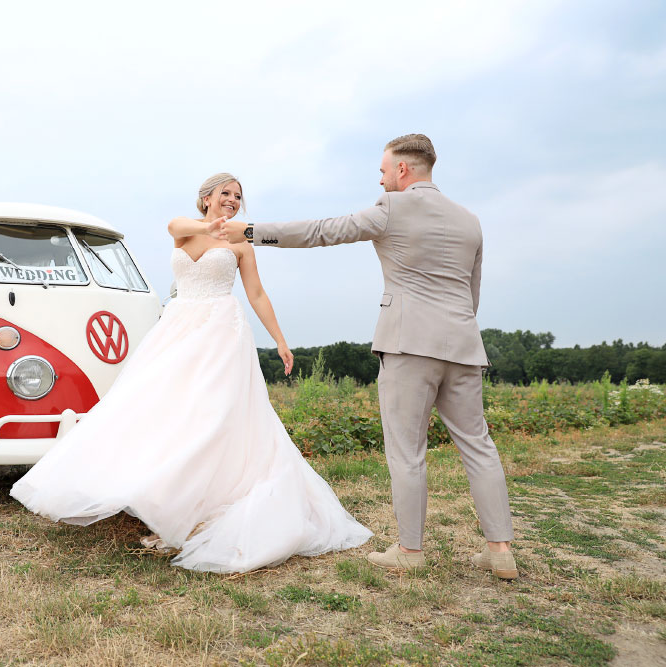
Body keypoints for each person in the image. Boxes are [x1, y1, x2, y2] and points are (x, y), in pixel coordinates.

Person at [10, 173, 372, 573]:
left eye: (238, 196)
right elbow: (173, 227)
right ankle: (157, 494)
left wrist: (281, 341)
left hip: (220, 331)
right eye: (225, 194)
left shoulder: (240, 243)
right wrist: (210, 226)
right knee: (159, 407)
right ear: (206, 199)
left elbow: (256, 294)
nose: (233, 200)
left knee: (211, 413)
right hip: (178, 329)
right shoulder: (185, 229)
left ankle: (199, 505)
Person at [219, 136, 518, 579]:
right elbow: (471, 295)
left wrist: (250, 231)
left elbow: (323, 231)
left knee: (407, 452)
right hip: (463, 346)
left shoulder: (390, 209)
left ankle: (411, 551)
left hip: (407, 345)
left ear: (402, 170)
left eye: (383, 170)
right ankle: (500, 551)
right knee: (479, 447)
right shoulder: (470, 221)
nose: (379, 178)